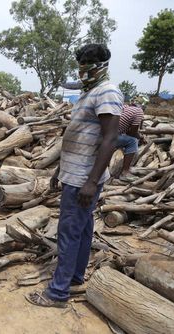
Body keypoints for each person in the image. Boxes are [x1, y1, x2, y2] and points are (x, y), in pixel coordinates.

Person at [26, 44, 122, 308]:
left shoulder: (107, 92)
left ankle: (57, 293)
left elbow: (110, 138)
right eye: (80, 66)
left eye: (86, 66)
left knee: (69, 232)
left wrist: (91, 181)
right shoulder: (89, 92)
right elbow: (78, 135)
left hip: (83, 178)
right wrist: (59, 170)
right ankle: (76, 276)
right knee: (81, 229)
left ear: (100, 66)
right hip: (74, 173)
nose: (81, 72)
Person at [116, 95, 148, 181]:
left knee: (125, 138)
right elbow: (132, 132)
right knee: (133, 141)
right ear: (143, 104)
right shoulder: (139, 111)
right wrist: (140, 138)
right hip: (111, 137)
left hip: (104, 133)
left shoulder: (125, 107)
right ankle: (125, 172)